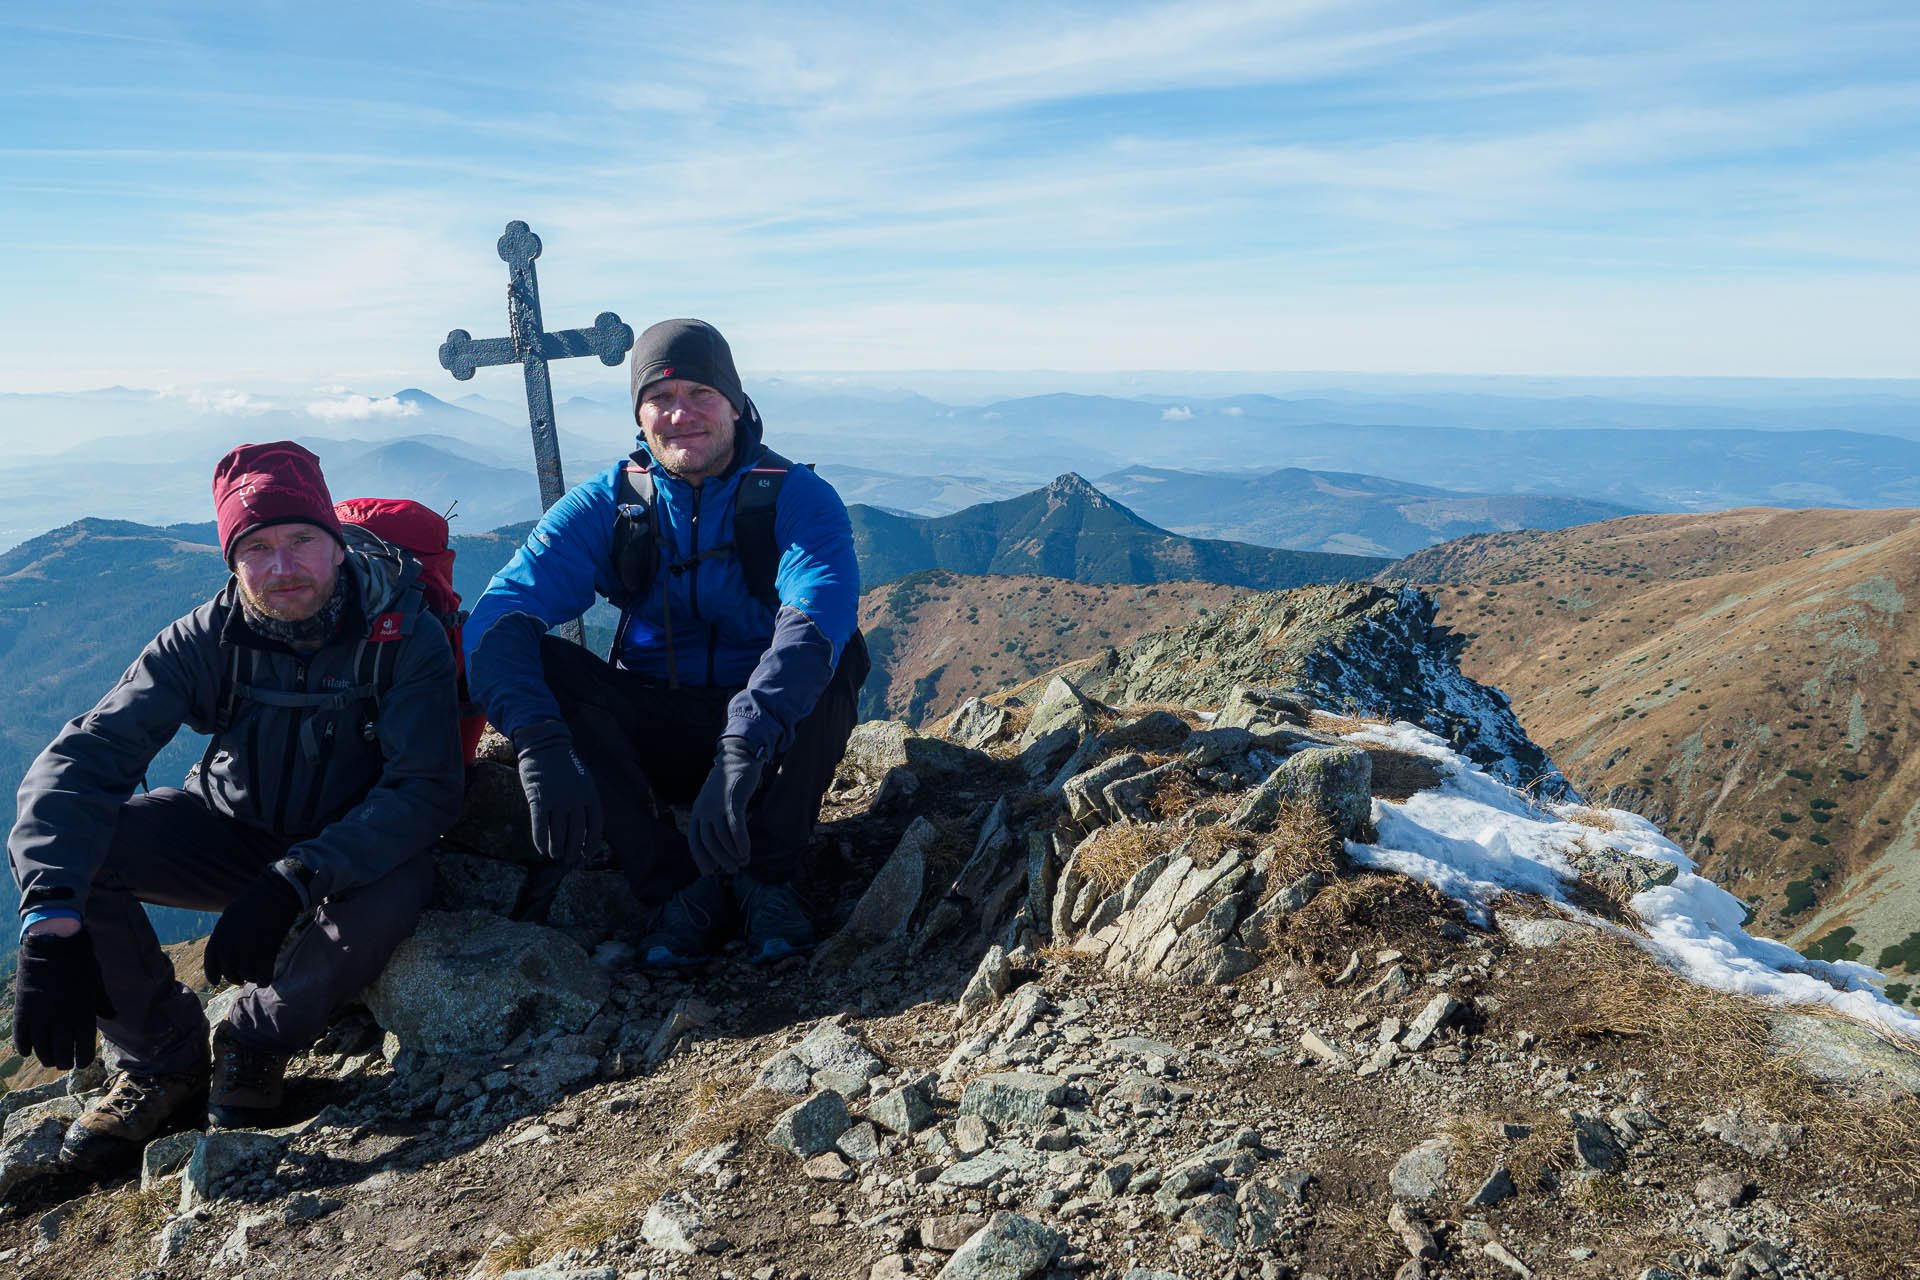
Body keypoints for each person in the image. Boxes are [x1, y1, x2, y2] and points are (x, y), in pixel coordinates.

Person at [7, 441, 464, 1168]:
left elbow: (425, 789)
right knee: (83, 850)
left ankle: (255, 1040)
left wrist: (300, 875)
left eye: (301, 541)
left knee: (397, 892)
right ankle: (161, 1058)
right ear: (232, 562)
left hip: (350, 851)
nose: (282, 568)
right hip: (222, 830)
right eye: (257, 550)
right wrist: (50, 915)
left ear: (336, 546)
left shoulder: (403, 636)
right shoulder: (205, 637)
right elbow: (84, 760)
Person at [465, 318, 865, 968]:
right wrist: (537, 738)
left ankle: (767, 875)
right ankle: (676, 887)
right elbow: (501, 611)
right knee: (545, 662)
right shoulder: (611, 503)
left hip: (766, 743)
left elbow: (819, 610)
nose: (681, 414)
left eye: (701, 394)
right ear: (639, 414)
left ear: (735, 402)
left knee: (840, 651)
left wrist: (743, 743)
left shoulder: (797, 498)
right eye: (661, 398)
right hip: (657, 723)